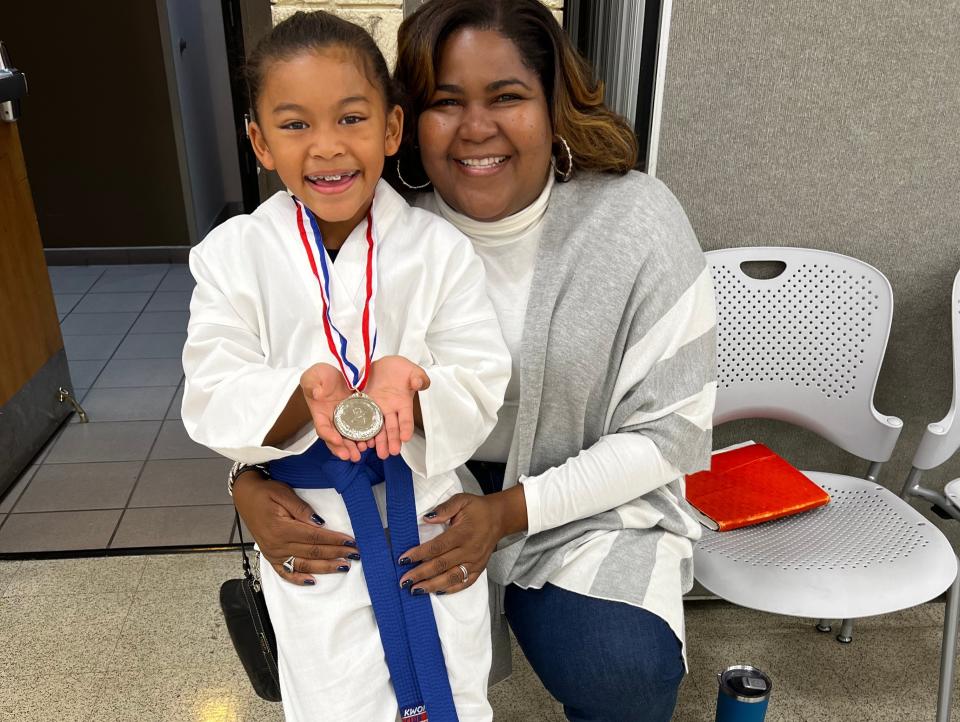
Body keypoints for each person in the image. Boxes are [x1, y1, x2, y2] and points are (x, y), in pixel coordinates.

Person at [230, 1, 716, 720]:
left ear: (554, 105)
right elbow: (273, 359)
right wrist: (242, 482)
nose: (476, 128)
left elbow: (668, 435)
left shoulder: (635, 221)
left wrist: (503, 513)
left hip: (577, 504)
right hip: (401, 492)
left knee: (624, 672)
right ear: (405, 121)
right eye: (445, 103)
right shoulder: (375, 220)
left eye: (508, 97)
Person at [181, 10, 510, 722]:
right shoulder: (233, 256)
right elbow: (210, 388)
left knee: (453, 681)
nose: (327, 148)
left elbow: (481, 375)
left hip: (425, 508)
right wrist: (305, 393)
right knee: (334, 695)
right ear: (259, 141)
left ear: (391, 130)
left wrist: (410, 386)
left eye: (351, 118)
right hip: (315, 526)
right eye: (295, 125)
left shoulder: (440, 250)